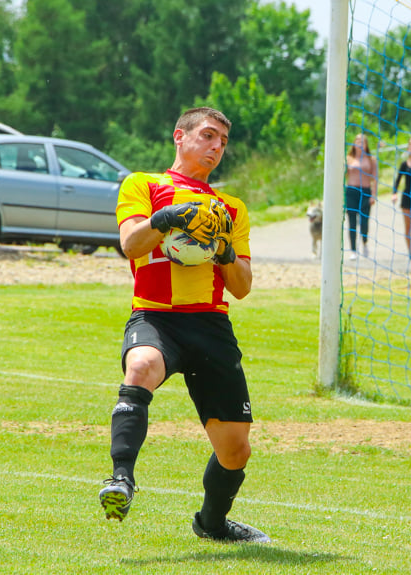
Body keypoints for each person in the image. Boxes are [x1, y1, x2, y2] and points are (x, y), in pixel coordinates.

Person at [98, 107, 271, 543]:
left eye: (223, 142)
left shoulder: (231, 208)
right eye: (208, 136)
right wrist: (165, 220)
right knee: (140, 367)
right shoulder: (144, 185)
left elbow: (243, 287)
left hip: (210, 325)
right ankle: (121, 480)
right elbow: (131, 245)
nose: (216, 148)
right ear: (180, 136)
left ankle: (211, 524)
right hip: (155, 316)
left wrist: (225, 249)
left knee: (235, 450)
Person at [345, 133, 378, 260]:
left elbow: (375, 178)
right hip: (351, 191)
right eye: (357, 141)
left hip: (365, 191)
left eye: (362, 141)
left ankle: (364, 241)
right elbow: (344, 175)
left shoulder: (371, 159)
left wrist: (373, 195)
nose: (359, 143)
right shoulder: (349, 158)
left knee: (364, 221)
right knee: (352, 222)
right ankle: (353, 249)